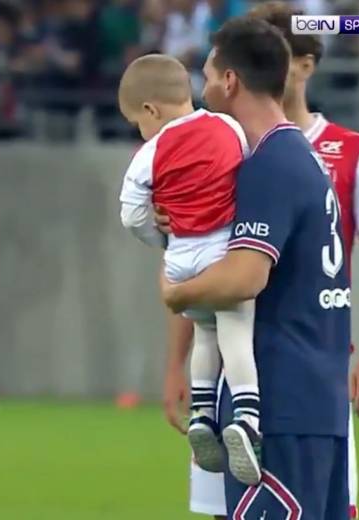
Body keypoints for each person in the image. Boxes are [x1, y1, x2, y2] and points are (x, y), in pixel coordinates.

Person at [165, 3, 359, 517]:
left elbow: (244, 277)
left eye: (207, 75)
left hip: (277, 400)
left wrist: (177, 294)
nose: (202, 89)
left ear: (230, 80)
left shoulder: (276, 162)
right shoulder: (297, 157)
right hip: (315, 392)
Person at [116, 54, 262, 485]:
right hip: (222, 248)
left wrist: (158, 239)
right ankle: (247, 419)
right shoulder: (228, 127)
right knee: (235, 331)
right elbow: (246, 171)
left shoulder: (153, 150)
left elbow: (130, 213)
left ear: (150, 111)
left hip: (181, 256)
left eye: (136, 123)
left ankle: (202, 414)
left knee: (204, 333)